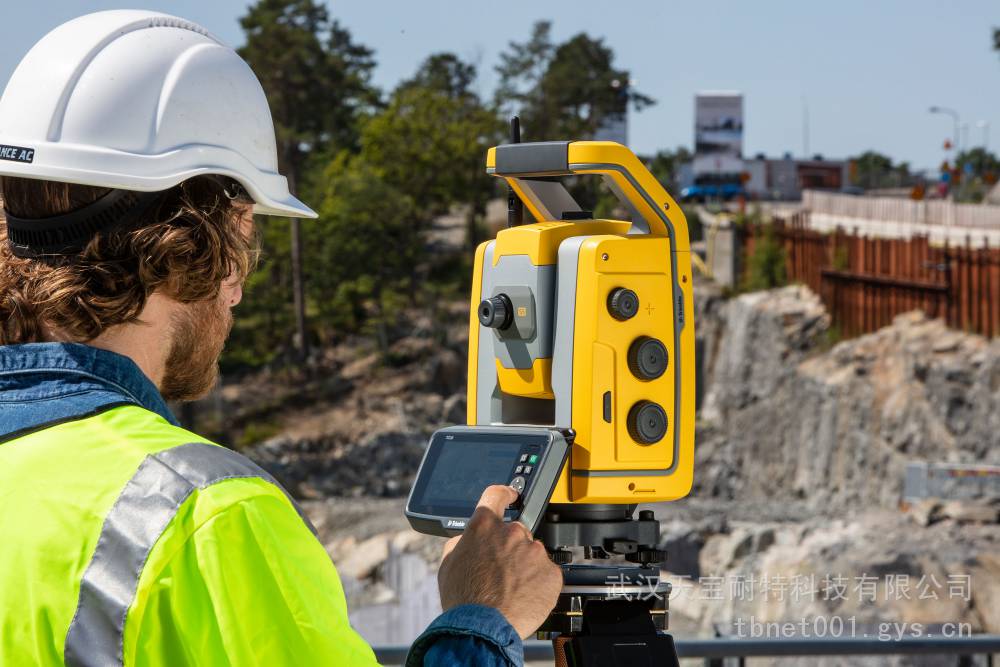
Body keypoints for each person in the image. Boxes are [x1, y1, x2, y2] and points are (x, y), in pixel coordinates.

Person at [0, 10, 561, 667]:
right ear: (204, 237)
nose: (237, 289)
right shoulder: (203, 515)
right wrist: (482, 620)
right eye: (245, 242)